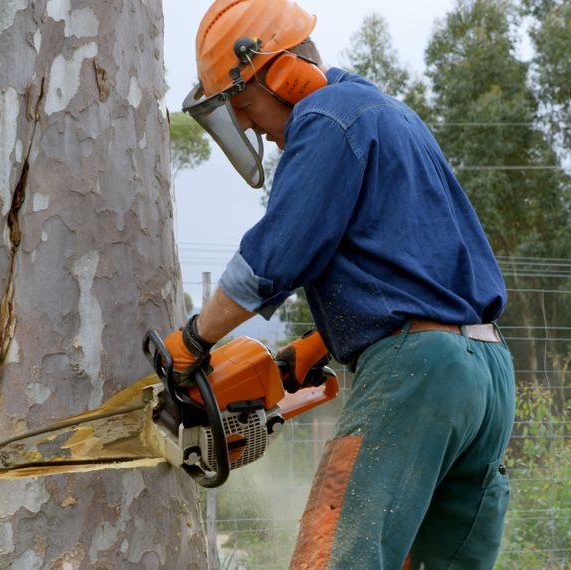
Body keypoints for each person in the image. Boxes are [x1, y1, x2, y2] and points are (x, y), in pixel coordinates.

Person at [165, 0, 516, 568]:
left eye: (246, 104)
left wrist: (195, 340)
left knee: (338, 559)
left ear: (282, 73)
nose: (248, 123)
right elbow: (416, 263)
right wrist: (320, 345)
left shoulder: (327, 117)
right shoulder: (390, 115)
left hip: (418, 373)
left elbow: (274, 257)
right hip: (488, 374)